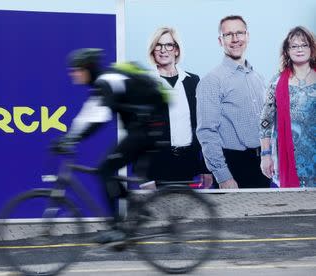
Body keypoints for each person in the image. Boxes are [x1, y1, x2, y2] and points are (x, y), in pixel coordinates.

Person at [53, 48, 169, 242]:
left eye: (76, 69)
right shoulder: (102, 82)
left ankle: (118, 228)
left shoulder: (106, 81)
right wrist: (69, 137)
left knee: (105, 170)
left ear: (87, 68)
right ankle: (136, 211)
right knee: (107, 171)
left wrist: (71, 139)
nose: (72, 73)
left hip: (148, 129)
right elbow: (87, 116)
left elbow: (99, 118)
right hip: (144, 128)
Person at [196, 15, 270, 189]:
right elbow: (207, 132)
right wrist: (223, 176)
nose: (235, 39)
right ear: (220, 41)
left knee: (264, 216)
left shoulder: (258, 78)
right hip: (233, 166)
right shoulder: (212, 81)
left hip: (262, 165)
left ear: (247, 36)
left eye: (240, 33)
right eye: (229, 34)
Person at [142, 26, 212, 188]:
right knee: (159, 212)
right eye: (158, 45)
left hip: (188, 162)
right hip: (157, 164)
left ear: (177, 50)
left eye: (168, 45)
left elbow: (201, 126)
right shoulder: (145, 83)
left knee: (188, 211)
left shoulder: (192, 81)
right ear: (153, 51)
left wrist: (205, 168)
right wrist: (145, 175)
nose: (163, 50)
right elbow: (139, 130)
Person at [259, 26, 316, 188]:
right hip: (288, 159)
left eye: (304, 45)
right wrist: (265, 155)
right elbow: (265, 122)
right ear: (287, 51)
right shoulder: (276, 82)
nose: (299, 49)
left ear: (311, 48)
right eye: (294, 46)